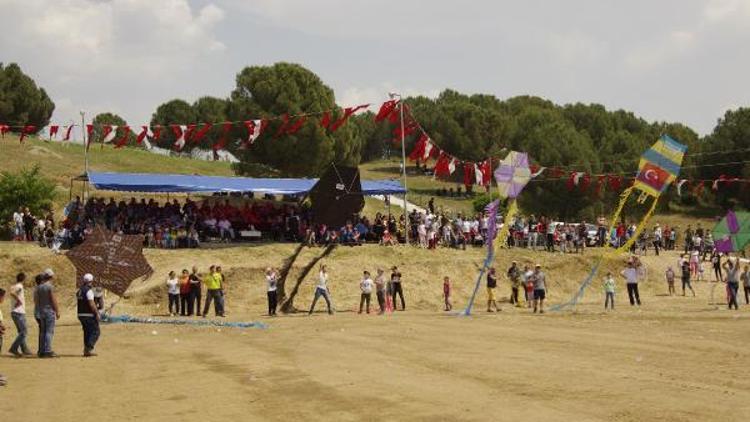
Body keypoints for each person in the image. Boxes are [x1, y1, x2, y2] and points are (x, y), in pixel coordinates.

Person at [34, 269, 60, 358]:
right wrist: (57, 311)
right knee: (49, 331)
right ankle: (48, 350)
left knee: (42, 332)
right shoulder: (49, 287)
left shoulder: (38, 287)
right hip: (49, 311)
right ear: (51, 276)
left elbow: (36, 301)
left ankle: (41, 351)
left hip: (41, 311)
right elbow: (53, 300)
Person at [77, 274, 101, 357]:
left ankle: (86, 351)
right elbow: (91, 304)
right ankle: (88, 348)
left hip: (80, 314)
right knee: (96, 332)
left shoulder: (79, 290)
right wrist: (97, 313)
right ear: (91, 281)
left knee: (87, 332)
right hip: (88, 314)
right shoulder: (88, 291)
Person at [9, 272, 32, 357]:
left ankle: (24, 349)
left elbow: (12, 291)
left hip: (15, 312)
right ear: (23, 279)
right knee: (24, 332)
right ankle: (14, 348)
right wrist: (18, 300)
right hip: (19, 312)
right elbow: (12, 293)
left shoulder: (13, 286)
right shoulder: (20, 286)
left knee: (21, 332)